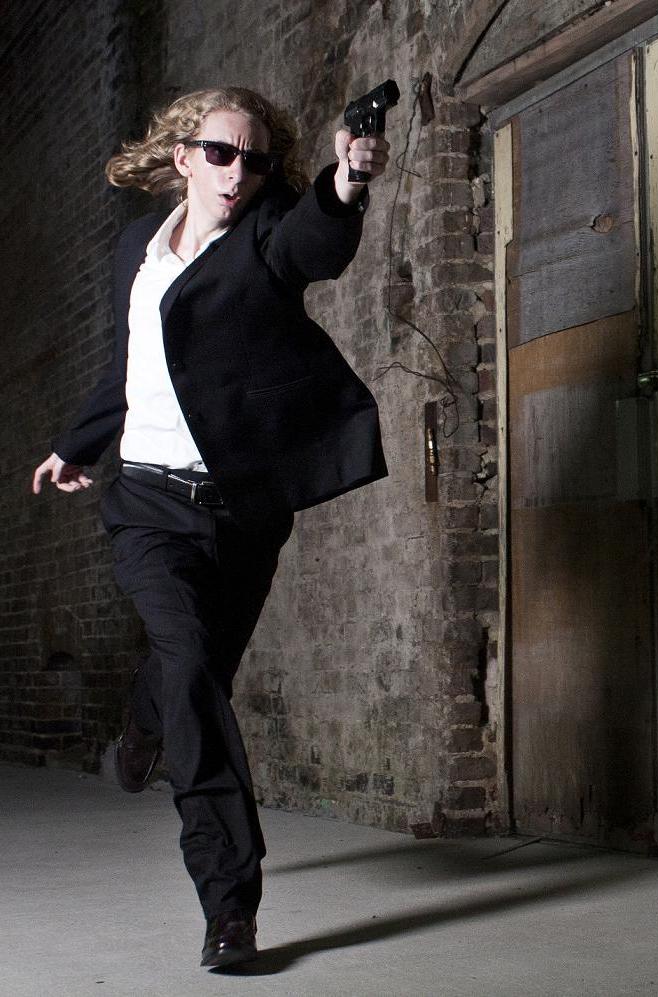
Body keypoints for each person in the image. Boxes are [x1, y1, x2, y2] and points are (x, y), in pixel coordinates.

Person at [30, 86, 390, 969]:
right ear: (184, 155)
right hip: (149, 503)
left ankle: (144, 724)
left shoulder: (263, 237)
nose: (238, 173)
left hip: (242, 513)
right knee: (193, 668)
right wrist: (77, 445)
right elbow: (128, 364)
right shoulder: (137, 250)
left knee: (194, 675)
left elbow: (313, 242)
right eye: (222, 153)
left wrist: (345, 181)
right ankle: (230, 904)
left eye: (256, 161)